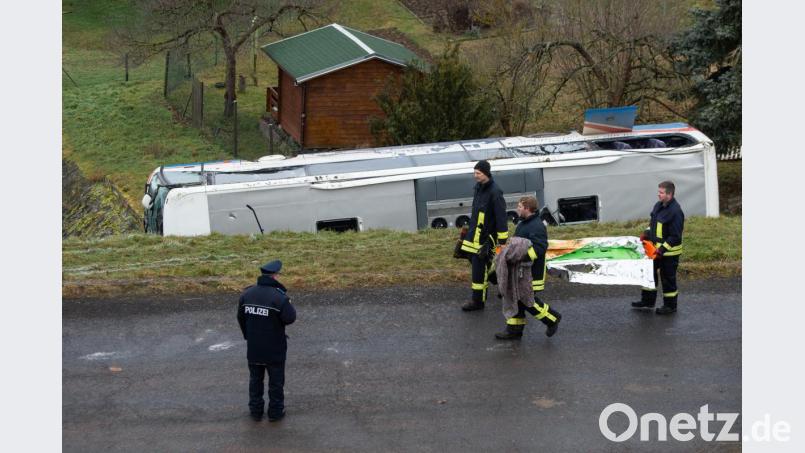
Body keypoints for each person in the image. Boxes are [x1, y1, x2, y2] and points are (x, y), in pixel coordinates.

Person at [495, 196, 562, 339]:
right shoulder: (523, 224)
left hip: (531, 273)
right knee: (516, 299)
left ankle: (552, 318)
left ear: (527, 208)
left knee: (527, 301)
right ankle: (514, 330)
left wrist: (522, 256)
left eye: (519, 206)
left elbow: (539, 247)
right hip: (520, 272)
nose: (517, 209)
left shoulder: (536, 226)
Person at [237, 260, 296, 421]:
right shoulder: (279, 297)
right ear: (275, 276)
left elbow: (241, 318)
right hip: (274, 348)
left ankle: (255, 411)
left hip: (254, 347)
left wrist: (248, 336)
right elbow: (290, 318)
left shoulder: (247, 295)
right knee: (276, 382)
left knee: (255, 380)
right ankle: (275, 412)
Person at [459, 160, 509, 311]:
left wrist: (502, 241)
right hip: (475, 236)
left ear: (486, 173)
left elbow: (501, 218)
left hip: (488, 239)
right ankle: (505, 289)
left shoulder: (495, 192)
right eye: (474, 173)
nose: (475, 176)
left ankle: (478, 301)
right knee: (485, 267)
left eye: (478, 173)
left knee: (479, 269)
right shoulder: (479, 188)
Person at [631, 181, 685, 314]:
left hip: (669, 254)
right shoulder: (658, 206)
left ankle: (670, 306)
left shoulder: (676, 212)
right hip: (654, 251)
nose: (658, 194)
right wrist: (646, 233)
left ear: (669, 194)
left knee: (667, 280)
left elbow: (675, 236)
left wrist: (662, 250)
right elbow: (653, 224)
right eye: (659, 192)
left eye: (661, 192)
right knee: (649, 275)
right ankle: (648, 301)